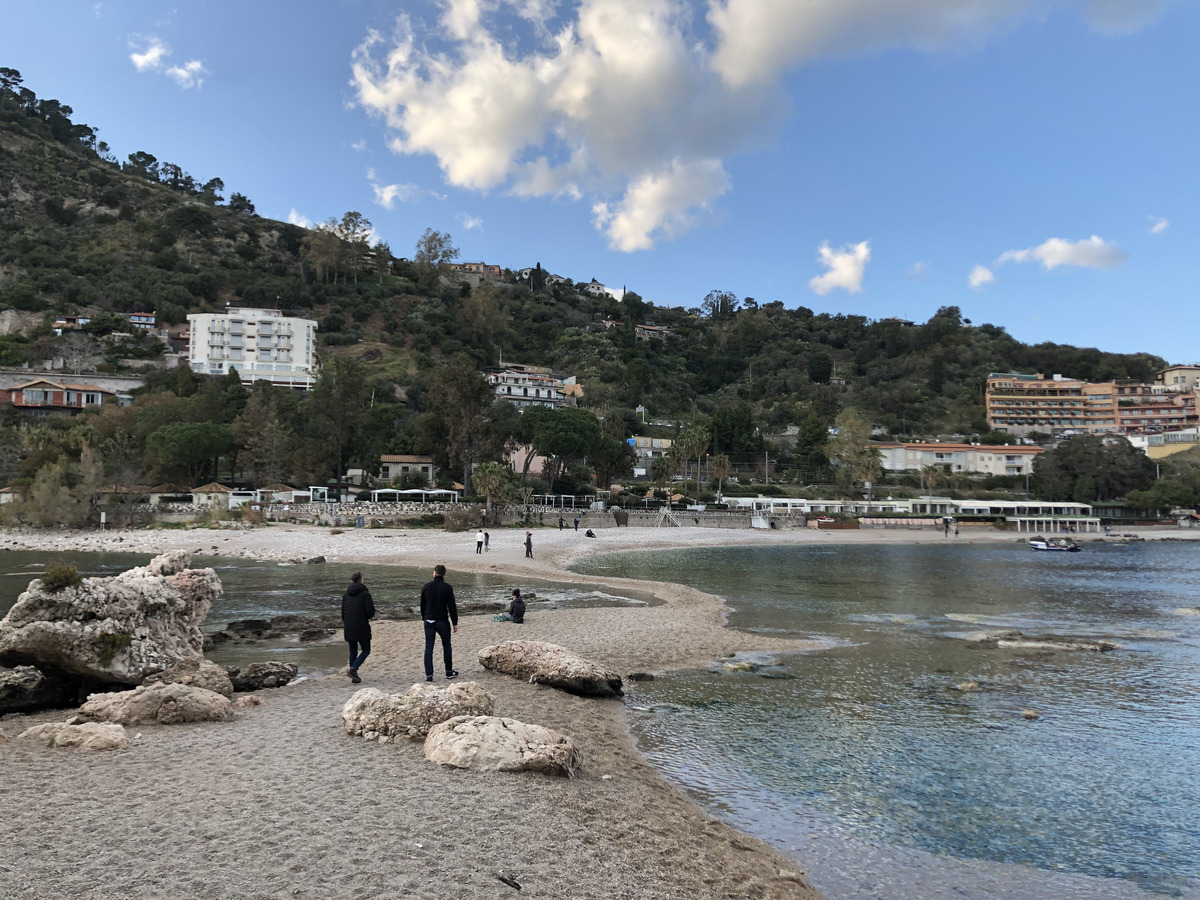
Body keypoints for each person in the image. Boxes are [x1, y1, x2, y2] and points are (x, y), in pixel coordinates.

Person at [420, 564, 458, 682]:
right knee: (446, 645)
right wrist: (454, 622)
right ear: (443, 574)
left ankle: (429, 675)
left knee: (429, 648)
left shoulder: (426, 587)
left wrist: (424, 618)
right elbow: (452, 606)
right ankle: (448, 671)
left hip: (429, 620)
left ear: (434, 573)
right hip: (442, 621)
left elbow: (422, 605)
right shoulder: (447, 587)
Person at [341, 572, 375, 684]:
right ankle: (353, 669)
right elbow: (370, 613)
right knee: (366, 649)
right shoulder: (365, 594)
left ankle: (353, 674)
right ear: (361, 580)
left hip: (349, 625)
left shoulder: (346, 595)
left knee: (353, 650)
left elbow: (343, 613)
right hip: (361, 625)